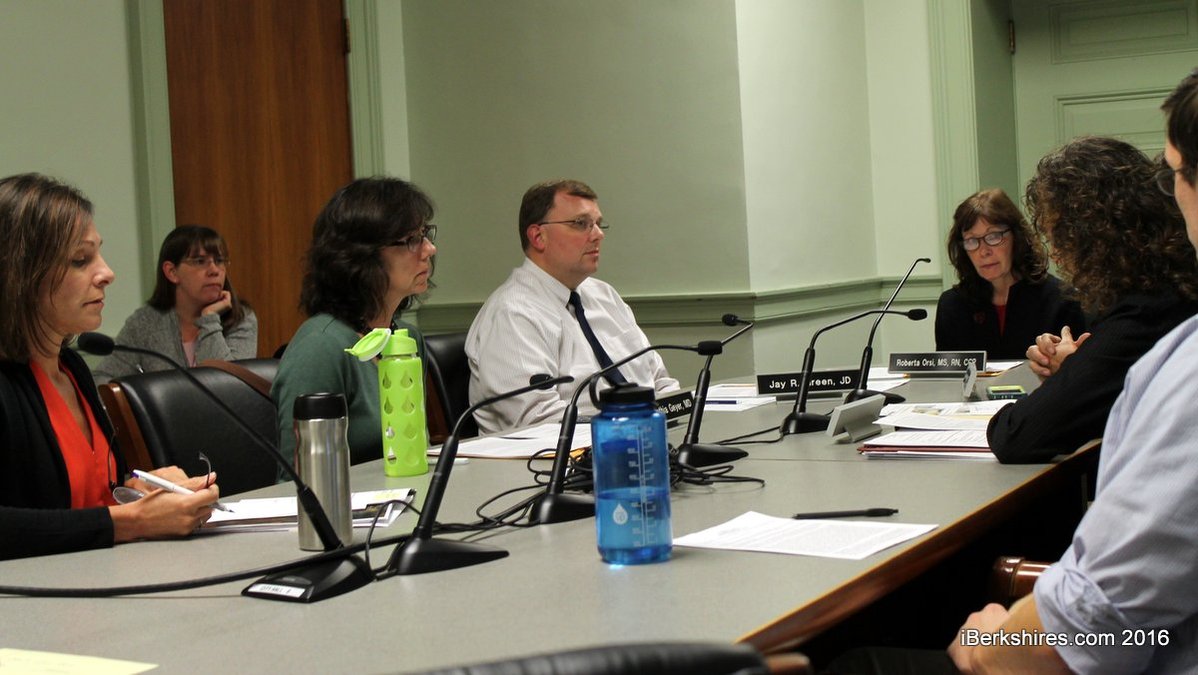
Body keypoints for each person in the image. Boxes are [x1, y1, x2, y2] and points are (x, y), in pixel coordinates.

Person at [946, 70, 1198, 674]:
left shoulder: (1161, 335)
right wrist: (1083, 370)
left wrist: (987, 648)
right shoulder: (1173, 312)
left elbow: (1098, 621)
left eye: (1175, 174)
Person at [0, 173, 219, 560]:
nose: (107, 273)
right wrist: (133, 521)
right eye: (80, 260)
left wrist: (139, 489)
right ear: (20, 275)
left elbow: (85, 498)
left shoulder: (71, 367)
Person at [986, 136, 1198, 463]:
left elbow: (1015, 434)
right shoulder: (1175, 285)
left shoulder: (1144, 312)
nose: (1056, 254)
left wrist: (1075, 376)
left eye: (1057, 237)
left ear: (1089, 235)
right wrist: (1078, 368)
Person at [466, 179, 678, 434]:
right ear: (538, 236)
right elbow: (538, 420)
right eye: (580, 223)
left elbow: (660, 381)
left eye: (598, 224)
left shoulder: (604, 295)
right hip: (561, 455)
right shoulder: (513, 313)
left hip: (644, 441)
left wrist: (678, 414)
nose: (598, 234)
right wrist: (630, 427)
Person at [271, 177, 435, 470]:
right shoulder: (320, 347)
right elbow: (296, 478)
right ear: (363, 255)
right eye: (412, 240)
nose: (429, 249)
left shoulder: (408, 338)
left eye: (424, 234)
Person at [93, 225, 257, 382]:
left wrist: (209, 319)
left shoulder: (241, 318)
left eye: (219, 261)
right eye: (200, 261)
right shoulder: (146, 322)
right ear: (172, 272)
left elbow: (230, 385)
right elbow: (103, 377)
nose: (215, 270)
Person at [935, 188, 1085, 359]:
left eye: (993, 236)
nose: (983, 251)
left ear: (1017, 237)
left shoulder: (1062, 300)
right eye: (971, 240)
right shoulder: (953, 305)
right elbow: (947, 374)